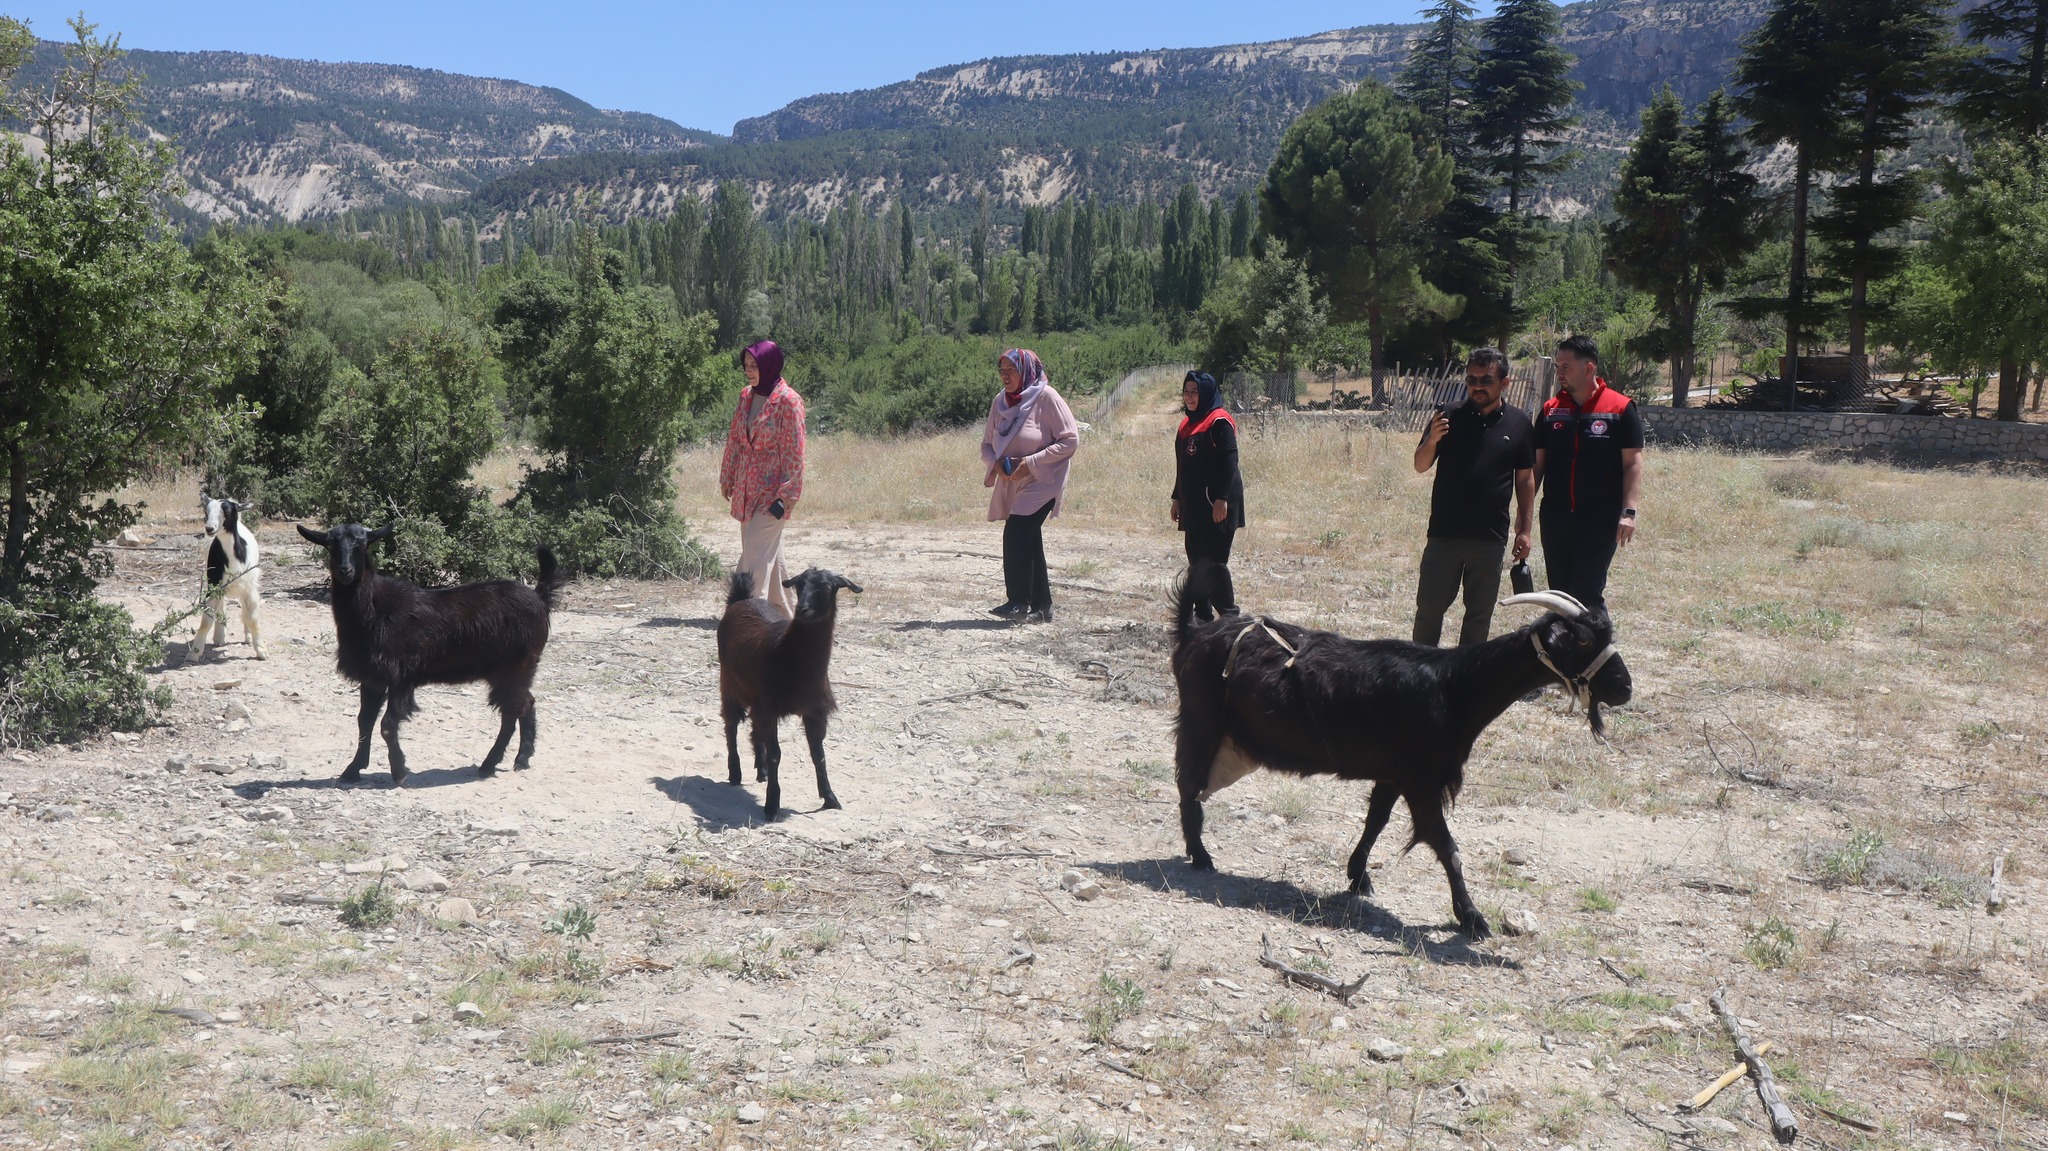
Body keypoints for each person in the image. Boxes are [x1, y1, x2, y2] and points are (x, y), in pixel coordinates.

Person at [1411, 348, 1536, 646]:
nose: (1477, 386)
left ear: (1505, 383)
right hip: (1444, 533)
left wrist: (1525, 530)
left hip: (1489, 537)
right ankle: (1418, 668)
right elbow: (1420, 464)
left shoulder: (1519, 423)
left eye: (1486, 380)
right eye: (1471, 379)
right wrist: (1433, 439)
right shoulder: (1448, 415)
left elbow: (1525, 479)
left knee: (1479, 615)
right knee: (1429, 610)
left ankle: (1468, 672)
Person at [1534, 334, 1643, 609]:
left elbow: (1632, 463)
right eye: (1557, 366)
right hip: (1555, 517)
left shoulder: (1620, 408)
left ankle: (1596, 638)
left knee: (1586, 592)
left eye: (1565, 367)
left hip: (1600, 519)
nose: (1559, 372)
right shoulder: (1550, 411)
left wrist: (1629, 512)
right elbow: (1536, 466)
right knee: (1558, 594)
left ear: (1589, 368)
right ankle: (1562, 639)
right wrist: (1524, 515)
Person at [980, 348, 1078, 623]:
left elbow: (1070, 440)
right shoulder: (1000, 401)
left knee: (1017, 532)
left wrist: (1031, 462)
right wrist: (995, 464)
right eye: (1001, 370)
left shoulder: (1047, 397)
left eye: (1011, 370)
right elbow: (986, 445)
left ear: (1026, 371)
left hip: (1045, 479)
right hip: (1014, 482)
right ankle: (1042, 606)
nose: (1005, 376)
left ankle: (1018, 601)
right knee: (1029, 538)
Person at [718, 340, 805, 618]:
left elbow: (795, 451)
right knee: (766, 555)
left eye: (754, 365)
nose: (748, 371)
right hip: (746, 491)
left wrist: (787, 495)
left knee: (754, 558)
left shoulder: (788, 401)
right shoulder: (746, 396)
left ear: (769, 365)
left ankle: (744, 615)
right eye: (746, 365)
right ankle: (783, 616)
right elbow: (735, 438)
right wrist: (727, 475)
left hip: (773, 495)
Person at [1171, 371, 1245, 620]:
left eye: (1195, 392)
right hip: (1194, 506)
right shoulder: (1186, 425)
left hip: (1218, 504)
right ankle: (1202, 617)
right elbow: (1182, 466)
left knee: (1214, 564)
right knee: (1196, 560)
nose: (1189, 396)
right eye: (1186, 391)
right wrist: (1176, 498)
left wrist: (1222, 499)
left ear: (1205, 394)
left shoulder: (1219, 421)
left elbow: (1230, 462)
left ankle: (1230, 618)